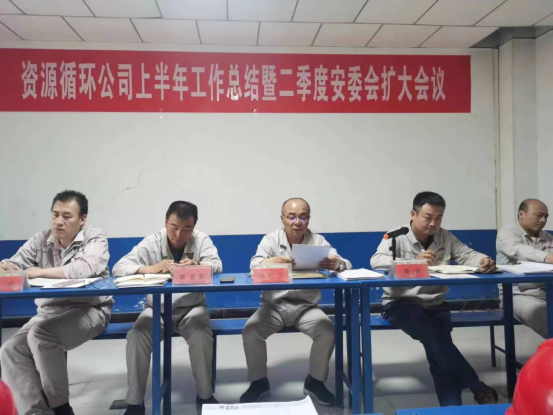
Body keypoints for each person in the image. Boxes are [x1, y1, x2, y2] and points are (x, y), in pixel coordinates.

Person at [371, 191, 498, 406]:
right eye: (428, 217)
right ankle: (476, 386)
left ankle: (452, 408)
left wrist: (483, 260)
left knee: (438, 350)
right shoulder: (396, 236)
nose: (433, 223)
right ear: (413, 214)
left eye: (438, 218)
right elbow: (376, 261)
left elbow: (467, 254)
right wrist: (413, 260)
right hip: (402, 303)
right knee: (435, 340)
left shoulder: (445, 236)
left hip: (436, 304)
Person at [0, 190, 112, 415]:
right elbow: (13, 265)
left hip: (89, 309)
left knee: (41, 335)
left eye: (67, 216)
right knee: (10, 350)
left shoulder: (94, 238)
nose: (59, 221)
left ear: (82, 219)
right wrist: (6, 266)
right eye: (55, 214)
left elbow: (84, 269)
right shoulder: (39, 240)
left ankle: (61, 409)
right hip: (48, 312)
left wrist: (38, 272)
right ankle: (38, 412)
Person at [113, 201, 222, 414]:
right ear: (166, 223)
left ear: (194, 226)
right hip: (157, 309)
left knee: (201, 334)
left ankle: (205, 396)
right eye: (174, 227)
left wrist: (198, 265)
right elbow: (119, 267)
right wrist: (150, 268)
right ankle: (135, 403)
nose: (179, 234)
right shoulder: (152, 242)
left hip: (192, 308)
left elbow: (217, 265)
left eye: (186, 228)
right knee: (137, 336)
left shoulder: (202, 240)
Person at [240, 198, 352, 406]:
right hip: (274, 306)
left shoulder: (318, 241)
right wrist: (269, 262)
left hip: (306, 307)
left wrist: (337, 263)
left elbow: (345, 263)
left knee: (327, 331)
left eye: (303, 217)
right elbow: (254, 265)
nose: (297, 222)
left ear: (308, 219)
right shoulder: (271, 240)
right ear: (282, 218)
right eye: (291, 217)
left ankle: (315, 382)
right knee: (251, 331)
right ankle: (259, 383)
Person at [496, 199, 553, 338]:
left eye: (546, 216)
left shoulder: (547, 237)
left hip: (546, 291)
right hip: (517, 295)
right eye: (539, 215)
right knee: (541, 313)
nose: (543, 220)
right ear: (522, 214)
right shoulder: (508, 233)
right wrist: (547, 257)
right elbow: (519, 250)